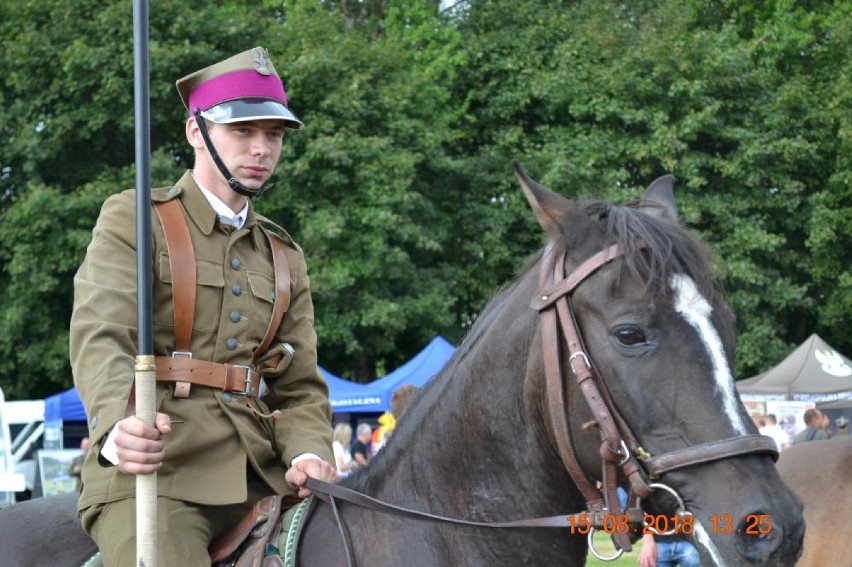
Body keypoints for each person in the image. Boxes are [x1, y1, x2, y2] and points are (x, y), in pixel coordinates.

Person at [70, 46, 337, 566]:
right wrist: (119, 426)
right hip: (156, 470)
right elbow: (101, 336)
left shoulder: (284, 255)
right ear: (197, 132)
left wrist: (310, 451)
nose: (261, 149)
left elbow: (300, 385)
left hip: (262, 472)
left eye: (274, 135)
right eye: (243, 132)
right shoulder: (136, 219)